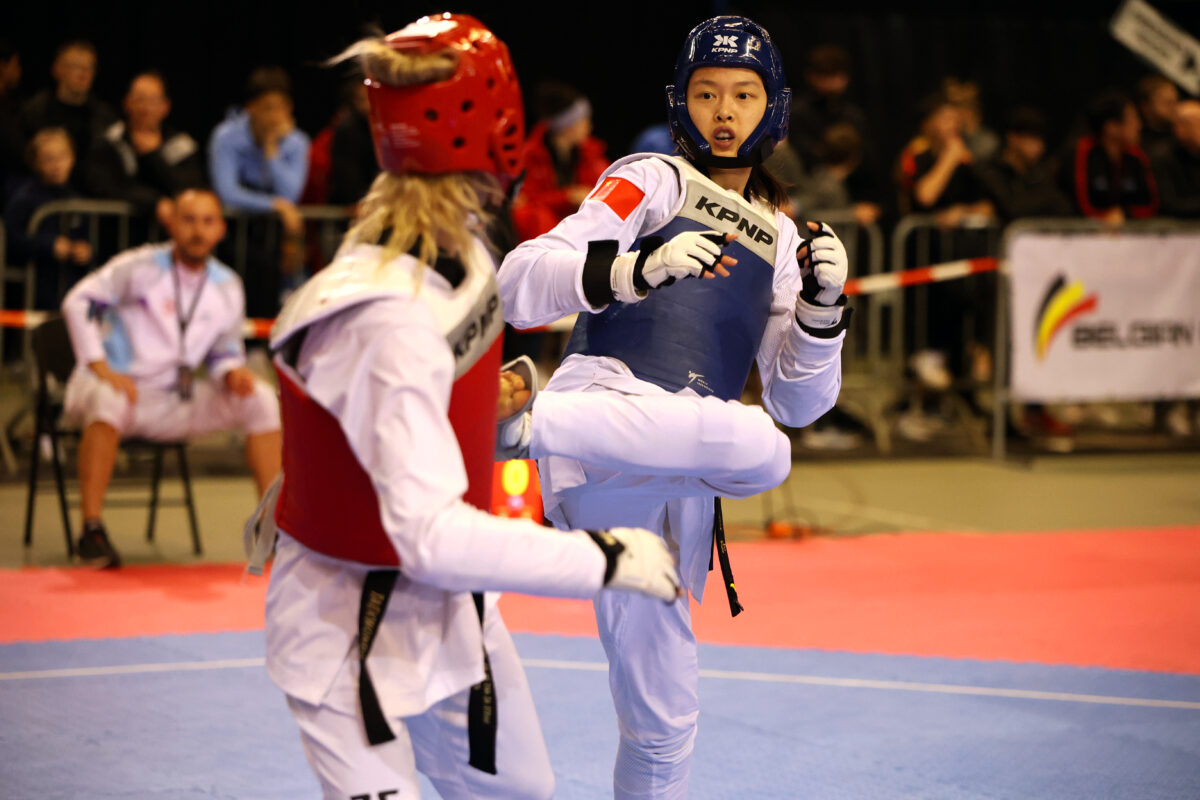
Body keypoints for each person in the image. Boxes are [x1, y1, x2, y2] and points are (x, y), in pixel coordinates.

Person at [245, 15, 680, 799]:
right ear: (503, 129)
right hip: (349, 627)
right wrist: (605, 559)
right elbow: (432, 535)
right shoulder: (382, 310)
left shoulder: (463, 249)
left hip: (451, 614)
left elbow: (408, 405)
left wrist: (484, 401)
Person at [498, 16, 847, 798]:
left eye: (745, 95)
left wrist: (824, 315)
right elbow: (521, 281)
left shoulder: (785, 238)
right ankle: (525, 425)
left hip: (680, 479)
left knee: (664, 724)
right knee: (760, 448)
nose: (725, 110)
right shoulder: (651, 179)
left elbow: (798, 400)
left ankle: (517, 426)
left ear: (774, 109)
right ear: (680, 103)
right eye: (708, 92)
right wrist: (630, 269)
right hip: (604, 431)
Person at [60, 188, 281, 568]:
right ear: (172, 224)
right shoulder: (140, 266)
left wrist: (231, 373)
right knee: (108, 397)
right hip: (119, 387)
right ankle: (91, 531)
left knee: (261, 397)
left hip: (172, 398)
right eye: (189, 220)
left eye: (207, 221)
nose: (198, 230)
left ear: (221, 229)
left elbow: (224, 351)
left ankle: (272, 527)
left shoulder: (227, 284)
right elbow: (77, 301)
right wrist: (97, 364)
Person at [208, 66, 310, 315]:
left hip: (274, 239)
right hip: (234, 236)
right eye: (268, 107)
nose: (275, 115)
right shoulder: (226, 137)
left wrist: (271, 149)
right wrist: (274, 206)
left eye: (281, 107)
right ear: (250, 108)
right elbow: (227, 193)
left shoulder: (297, 142)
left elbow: (291, 194)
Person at [82, 71, 204, 222]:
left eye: (153, 101)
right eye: (139, 100)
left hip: (170, 237)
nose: (145, 109)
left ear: (165, 106)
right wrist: (154, 203)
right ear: (126, 103)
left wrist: (152, 156)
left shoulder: (182, 145)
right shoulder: (109, 141)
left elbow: (191, 189)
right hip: (118, 234)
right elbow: (103, 185)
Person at [510, 80, 610, 242]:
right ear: (568, 125)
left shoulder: (591, 153)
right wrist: (568, 196)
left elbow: (607, 189)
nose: (589, 126)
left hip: (582, 231)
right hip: (546, 234)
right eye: (584, 120)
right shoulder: (529, 156)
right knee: (530, 214)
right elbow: (524, 201)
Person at [4, 128, 92, 308]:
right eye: (48, 159)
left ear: (72, 158)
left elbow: (88, 236)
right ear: (35, 163)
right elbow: (10, 238)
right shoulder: (25, 198)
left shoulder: (77, 200)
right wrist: (48, 244)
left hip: (71, 292)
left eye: (62, 156)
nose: (57, 165)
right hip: (34, 292)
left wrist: (86, 250)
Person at [19, 40, 117, 184]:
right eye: (76, 66)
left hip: (94, 193)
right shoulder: (33, 111)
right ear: (57, 69)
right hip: (46, 191)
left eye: (89, 67)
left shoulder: (105, 116)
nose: (83, 73)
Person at [1065, 89, 1158, 224]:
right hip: (1085, 236)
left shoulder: (1136, 155)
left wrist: (1125, 215)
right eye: (1132, 119)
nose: (1139, 126)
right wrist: (1106, 218)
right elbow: (1081, 206)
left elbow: (1151, 204)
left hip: (1133, 235)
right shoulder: (1083, 151)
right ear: (1111, 127)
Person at [976, 106, 1072, 222]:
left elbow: (1063, 207)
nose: (1039, 147)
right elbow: (1011, 209)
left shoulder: (1040, 172)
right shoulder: (990, 170)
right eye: (1032, 139)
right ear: (1013, 138)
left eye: (1041, 140)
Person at [1151, 99, 1200, 219]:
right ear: (1180, 128)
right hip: (1173, 231)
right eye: (1196, 124)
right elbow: (1168, 204)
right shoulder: (1162, 157)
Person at [1135, 74, 1179, 158]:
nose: (1175, 108)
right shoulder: (1134, 135)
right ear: (1146, 106)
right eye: (1167, 103)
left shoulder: (1178, 139)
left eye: (1175, 102)